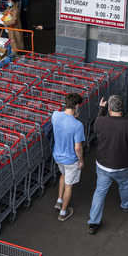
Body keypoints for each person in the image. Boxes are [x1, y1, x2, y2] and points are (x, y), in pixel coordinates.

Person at [86, 95, 128, 235]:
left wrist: (101, 110)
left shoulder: (100, 122)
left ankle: (93, 223)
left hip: (103, 165)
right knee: (124, 185)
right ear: (123, 108)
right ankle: (126, 205)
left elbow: (97, 124)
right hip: (122, 165)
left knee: (100, 192)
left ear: (109, 108)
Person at [51, 92, 85, 222]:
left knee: (63, 176)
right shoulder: (78, 125)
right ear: (77, 106)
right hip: (71, 159)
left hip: (58, 155)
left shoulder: (55, 115)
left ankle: (59, 201)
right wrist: (81, 161)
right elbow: (78, 147)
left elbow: (61, 124)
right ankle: (63, 212)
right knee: (69, 185)